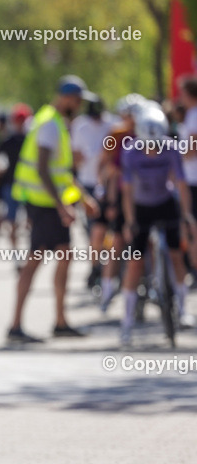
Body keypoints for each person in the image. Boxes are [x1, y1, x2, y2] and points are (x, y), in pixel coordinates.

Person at [7, 75, 98, 342]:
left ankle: (59, 321)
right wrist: (62, 207)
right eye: (78, 100)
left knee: (63, 256)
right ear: (67, 97)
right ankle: (16, 326)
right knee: (35, 261)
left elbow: (61, 171)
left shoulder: (55, 122)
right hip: (44, 205)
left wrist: (81, 198)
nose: (80, 105)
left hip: (50, 204)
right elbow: (43, 169)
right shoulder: (49, 124)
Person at [119, 106, 195, 343]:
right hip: (141, 207)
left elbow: (181, 184)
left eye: (156, 146)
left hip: (164, 202)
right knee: (135, 262)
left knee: (175, 254)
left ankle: (182, 309)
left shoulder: (171, 149)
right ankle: (127, 321)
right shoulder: (130, 152)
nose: (153, 150)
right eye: (148, 145)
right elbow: (127, 190)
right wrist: (130, 221)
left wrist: (187, 215)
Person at [96, 94, 147, 312]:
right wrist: (109, 200)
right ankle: (107, 288)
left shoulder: (151, 131)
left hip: (145, 194)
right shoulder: (115, 134)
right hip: (121, 192)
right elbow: (107, 167)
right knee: (116, 242)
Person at [71, 92, 111, 290]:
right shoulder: (81, 125)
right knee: (90, 228)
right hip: (85, 183)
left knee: (104, 228)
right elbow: (75, 155)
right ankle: (96, 266)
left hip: (105, 183)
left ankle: (105, 266)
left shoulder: (111, 124)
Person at [0, 104, 31, 250]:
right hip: (20, 185)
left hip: (20, 185)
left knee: (18, 221)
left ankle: (19, 254)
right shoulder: (25, 139)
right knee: (15, 221)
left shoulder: (13, 139)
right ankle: (19, 254)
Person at [177, 76, 197, 270]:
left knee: (192, 226)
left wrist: (176, 157)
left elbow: (192, 148)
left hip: (192, 179)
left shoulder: (193, 115)